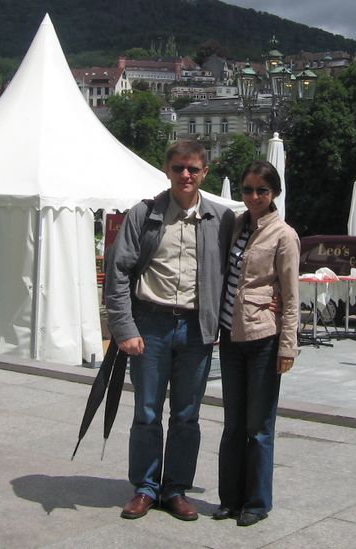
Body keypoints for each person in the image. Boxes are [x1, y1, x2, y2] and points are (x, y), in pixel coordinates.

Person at [105, 140, 235, 521]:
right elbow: (118, 271)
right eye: (179, 168)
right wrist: (124, 327)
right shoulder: (144, 214)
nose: (185, 175)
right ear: (167, 170)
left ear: (205, 172)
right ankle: (146, 488)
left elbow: (239, 270)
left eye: (193, 168)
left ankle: (175, 489)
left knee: (187, 415)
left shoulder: (221, 219)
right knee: (147, 411)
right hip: (151, 324)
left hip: (196, 328)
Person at [212, 160, 300, 527]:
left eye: (261, 190)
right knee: (233, 424)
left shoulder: (284, 235)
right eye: (248, 189)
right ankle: (230, 500)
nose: (253, 196)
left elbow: (291, 297)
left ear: (274, 193)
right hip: (232, 336)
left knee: (259, 427)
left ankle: (257, 502)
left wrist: (288, 345)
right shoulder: (236, 225)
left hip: (264, 337)